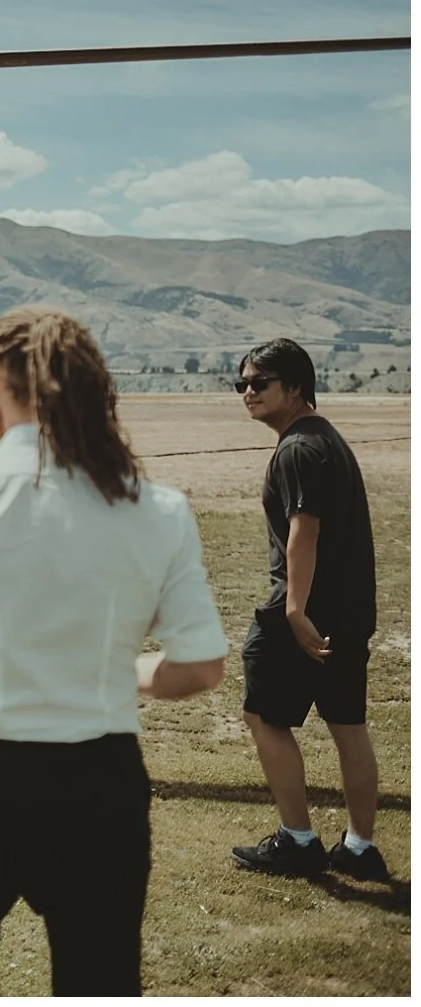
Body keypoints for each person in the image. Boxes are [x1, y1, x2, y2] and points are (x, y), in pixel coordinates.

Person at [0, 307, 227, 996]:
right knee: (100, 979)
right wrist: (116, 671)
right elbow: (201, 665)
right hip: (99, 778)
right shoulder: (156, 509)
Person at [229, 339, 387, 880]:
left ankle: (297, 840)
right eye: (242, 383)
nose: (248, 392)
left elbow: (304, 533)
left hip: (302, 614)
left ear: (295, 387)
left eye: (260, 382)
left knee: (262, 715)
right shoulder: (327, 440)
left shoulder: (298, 449)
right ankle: (361, 848)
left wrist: (294, 610)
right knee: (348, 725)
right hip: (348, 613)